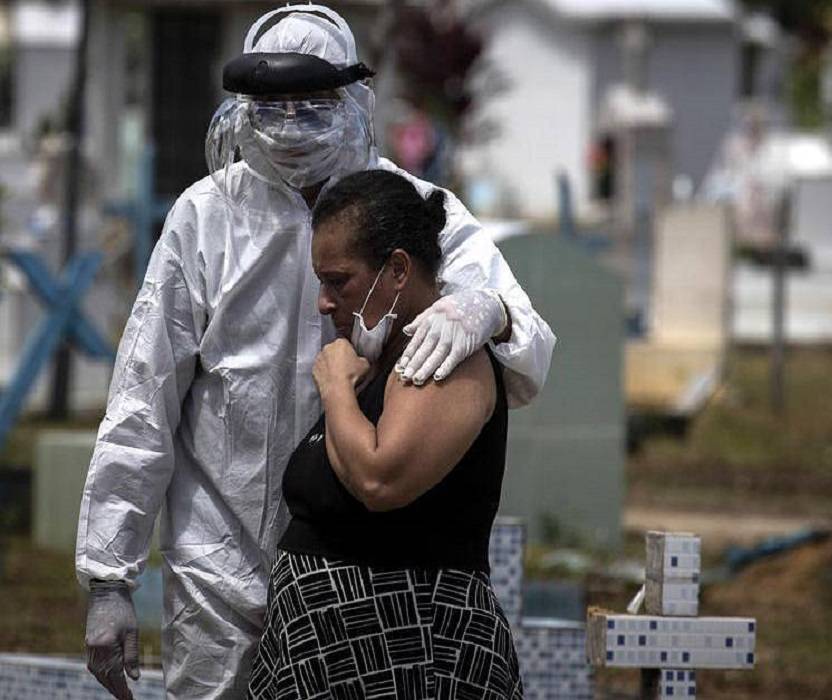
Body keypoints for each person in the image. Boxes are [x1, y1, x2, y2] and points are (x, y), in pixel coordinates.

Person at [77, 5, 554, 699]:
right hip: (217, 564)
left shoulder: (414, 208)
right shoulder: (205, 217)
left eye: (314, 104)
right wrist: (109, 576)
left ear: (356, 98)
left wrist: (489, 308)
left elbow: (530, 344)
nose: (293, 127)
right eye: (274, 107)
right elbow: (142, 400)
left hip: (359, 570)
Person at [248, 168, 521, 699]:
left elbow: (380, 480)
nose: (325, 303)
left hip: (412, 655)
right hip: (329, 660)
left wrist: (335, 388)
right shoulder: (377, 363)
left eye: (339, 281)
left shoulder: (444, 355)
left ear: (397, 269)